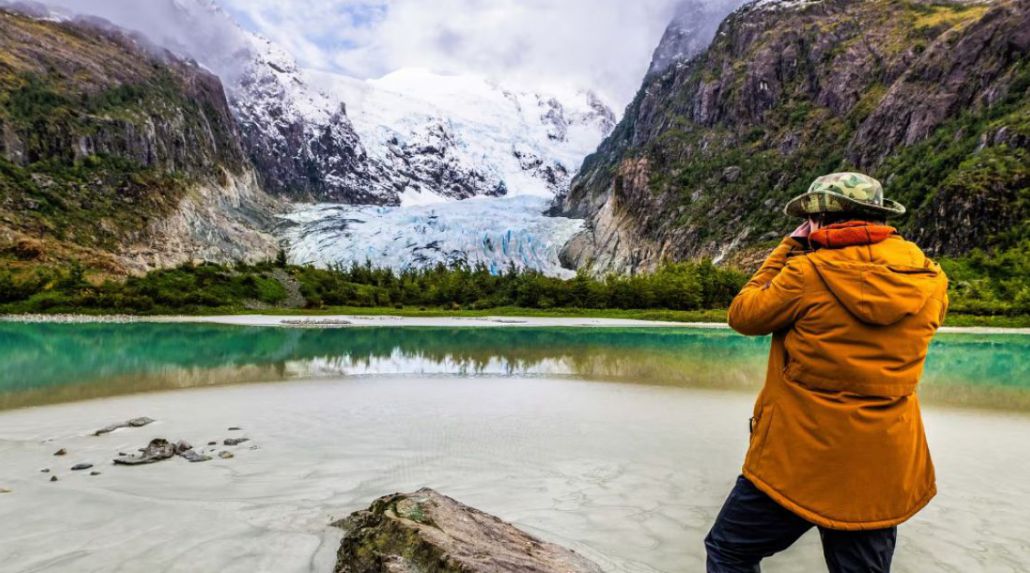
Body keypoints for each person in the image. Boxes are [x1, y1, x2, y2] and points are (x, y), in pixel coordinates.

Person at [705, 172, 949, 572]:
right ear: (880, 217)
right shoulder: (930, 278)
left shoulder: (806, 273)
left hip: (798, 459)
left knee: (730, 551)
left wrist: (789, 246)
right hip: (880, 464)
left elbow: (744, 315)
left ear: (817, 220)